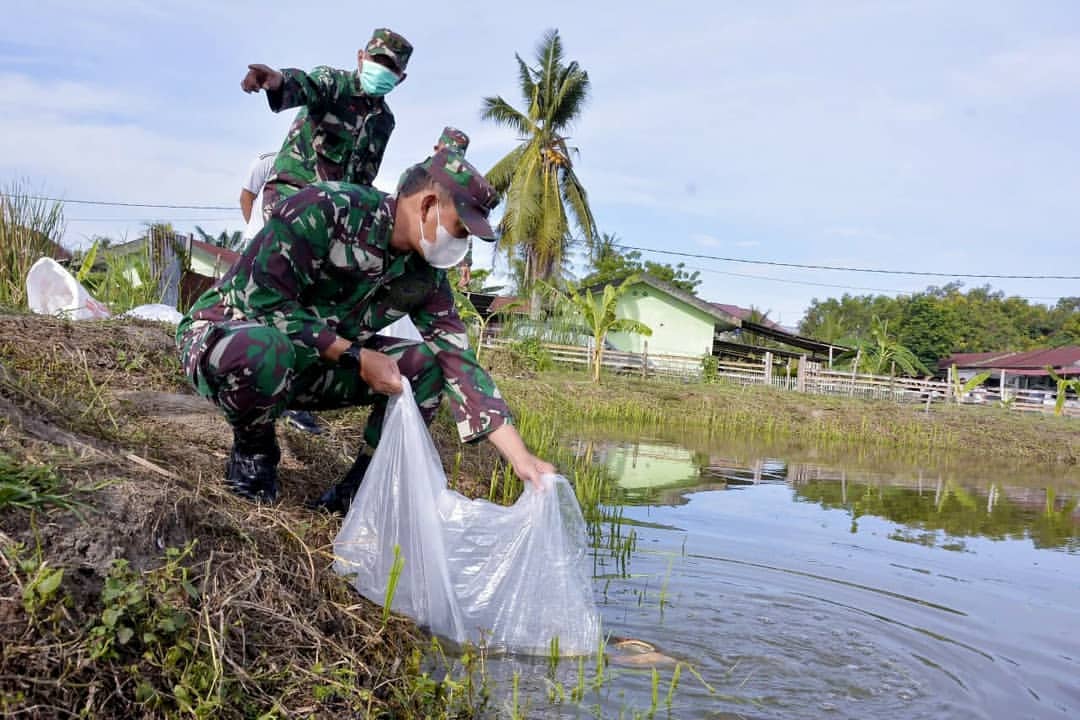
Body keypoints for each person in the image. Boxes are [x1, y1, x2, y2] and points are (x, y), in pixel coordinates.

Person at [176, 149, 554, 510]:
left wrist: (519, 456)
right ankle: (254, 454)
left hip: (310, 368)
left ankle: (358, 490)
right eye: (459, 229)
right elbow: (264, 303)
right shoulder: (326, 209)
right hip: (230, 342)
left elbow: (458, 360)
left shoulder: (426, 278)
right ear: (426, 206)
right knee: (265, 346)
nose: (460, 243)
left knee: (427, 365)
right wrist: (355, 355)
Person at [240, 28, 412, 219]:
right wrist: (277, 80)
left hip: (337, 216)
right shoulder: (334, 83)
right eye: (377, 61)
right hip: (292, 199)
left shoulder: (384, 122)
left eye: (391, 68)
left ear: (401, 78)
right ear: (361, 57)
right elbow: (306, 86)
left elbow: (364, 180)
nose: (382, 70)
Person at [238, 150, 324, 434]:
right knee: (250, 316)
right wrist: (260, 232)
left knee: (293, 320)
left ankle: (292, 404)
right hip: (260, 247)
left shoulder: (321, 167)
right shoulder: (266, 161)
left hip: (297, 254)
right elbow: (246, 196)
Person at [239, 151, 275, 244]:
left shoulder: (313, 171)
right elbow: (246, 196)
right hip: (256, 241)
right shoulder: (268, 161)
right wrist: (255, 230)